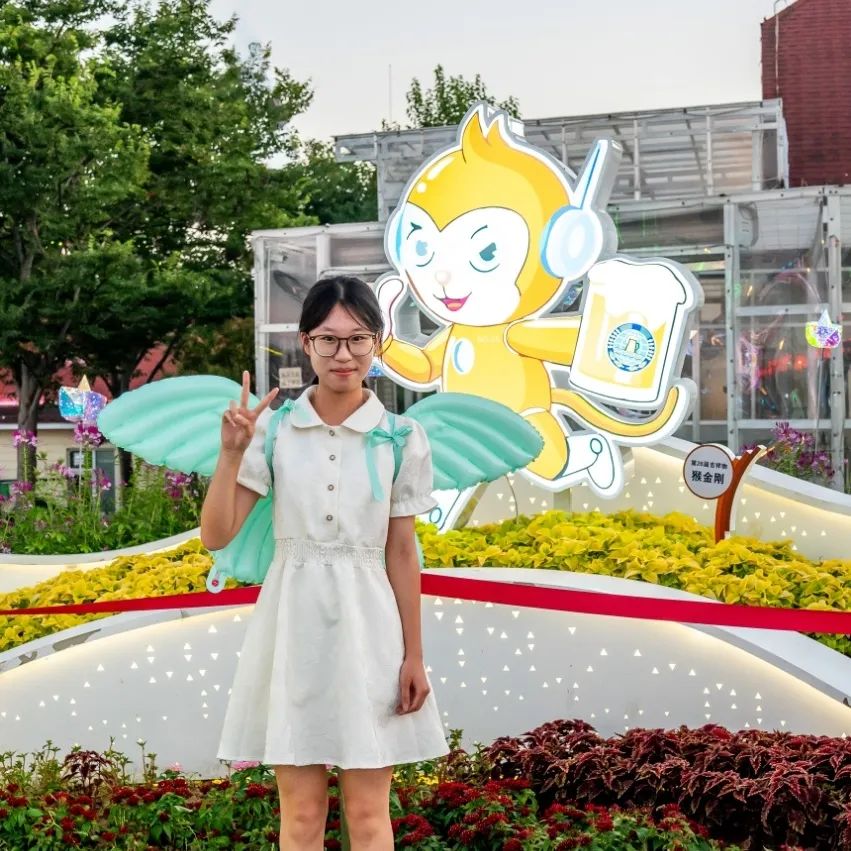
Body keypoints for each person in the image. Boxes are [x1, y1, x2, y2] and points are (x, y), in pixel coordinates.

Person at [200, 275, 449, 851]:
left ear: (377, 344)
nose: (344, 354)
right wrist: (231, 453)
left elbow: (402, 551)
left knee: (368, 814)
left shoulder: (400, 437)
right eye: (329, 339)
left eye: (358, 339)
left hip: (372, 631)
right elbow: (217, 534)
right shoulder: (274, 431)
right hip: (293, 629)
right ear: (305, 343)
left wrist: (414, 655)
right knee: (302, 816)